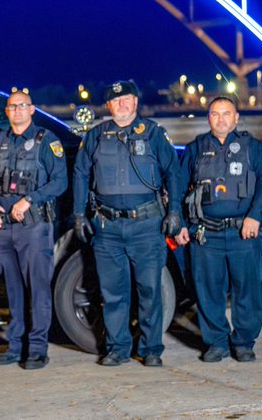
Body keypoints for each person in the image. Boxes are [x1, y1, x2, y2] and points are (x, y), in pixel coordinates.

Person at [72, 80, 185, 367]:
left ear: (135, 102)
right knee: (113, 293)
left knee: (149, 290)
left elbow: (173, 173)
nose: (121, 104)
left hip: (147, 226)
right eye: (115, 100)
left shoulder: (154, 134)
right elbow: (80, 174)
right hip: (107, 228)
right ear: (108, 106)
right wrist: (78, 214)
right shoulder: (96, 135)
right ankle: (118, 348)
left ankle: (151, 349)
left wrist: (174, 212)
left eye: (127, 99)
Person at [179, 96, 262, 363]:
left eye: (226, 114)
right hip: (205, 234)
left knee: (248, 290)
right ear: (208, 118)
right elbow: (178, 186)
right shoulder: (196, 149)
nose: (221, 119)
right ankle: (217, 343)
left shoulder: (252, 148)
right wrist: (181, 223)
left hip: (242, 233)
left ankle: (244, 342)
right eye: (215, 114)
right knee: (209, 291)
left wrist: (254, 217)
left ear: (236, 118)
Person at [0, 89, 67, 370]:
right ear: (6, 111)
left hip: (34, 226)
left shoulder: (47, 141)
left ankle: (38, 350)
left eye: (22, 106)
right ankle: (15, 347)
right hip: (4, 228)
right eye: (12, 106)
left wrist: (30, 199)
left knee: (38, 290)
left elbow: (60, 181)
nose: (17, 110)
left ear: (32, 110)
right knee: (13, 290)